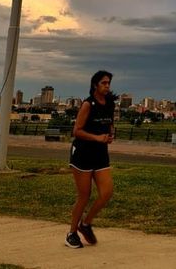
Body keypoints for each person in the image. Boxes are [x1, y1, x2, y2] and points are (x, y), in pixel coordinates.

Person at [66, 70, 115, 249]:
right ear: (95, 85)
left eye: (108, 83)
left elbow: (109, 123)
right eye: (104, 83)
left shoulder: (110, 103)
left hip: (101, 154)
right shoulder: (88, 104)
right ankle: (71, 233)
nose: (107, 86)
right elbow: (76, 131)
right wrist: (96, 138)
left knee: (107, 192)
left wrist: (110, 133)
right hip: (83, 153)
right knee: (84, 196)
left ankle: (85, 224)